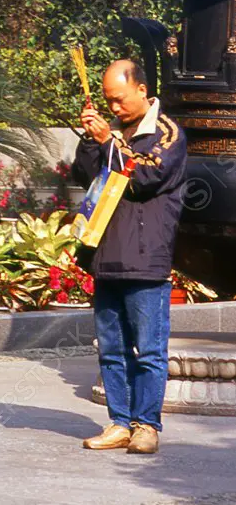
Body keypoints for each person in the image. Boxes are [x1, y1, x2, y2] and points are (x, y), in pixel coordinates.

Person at [73, 59, 187, 455]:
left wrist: (108, 141)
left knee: (150, 350)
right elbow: (84, 174)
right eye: (108, 102)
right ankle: (120, 422)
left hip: (146, 257)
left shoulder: (167, 133)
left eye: (119, 100)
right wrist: (90, 137)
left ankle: (147, 425)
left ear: (142, 90)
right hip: (106, 255)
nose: (114, 108)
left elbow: (142, 178)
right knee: (111, 347)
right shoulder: (114, 133)